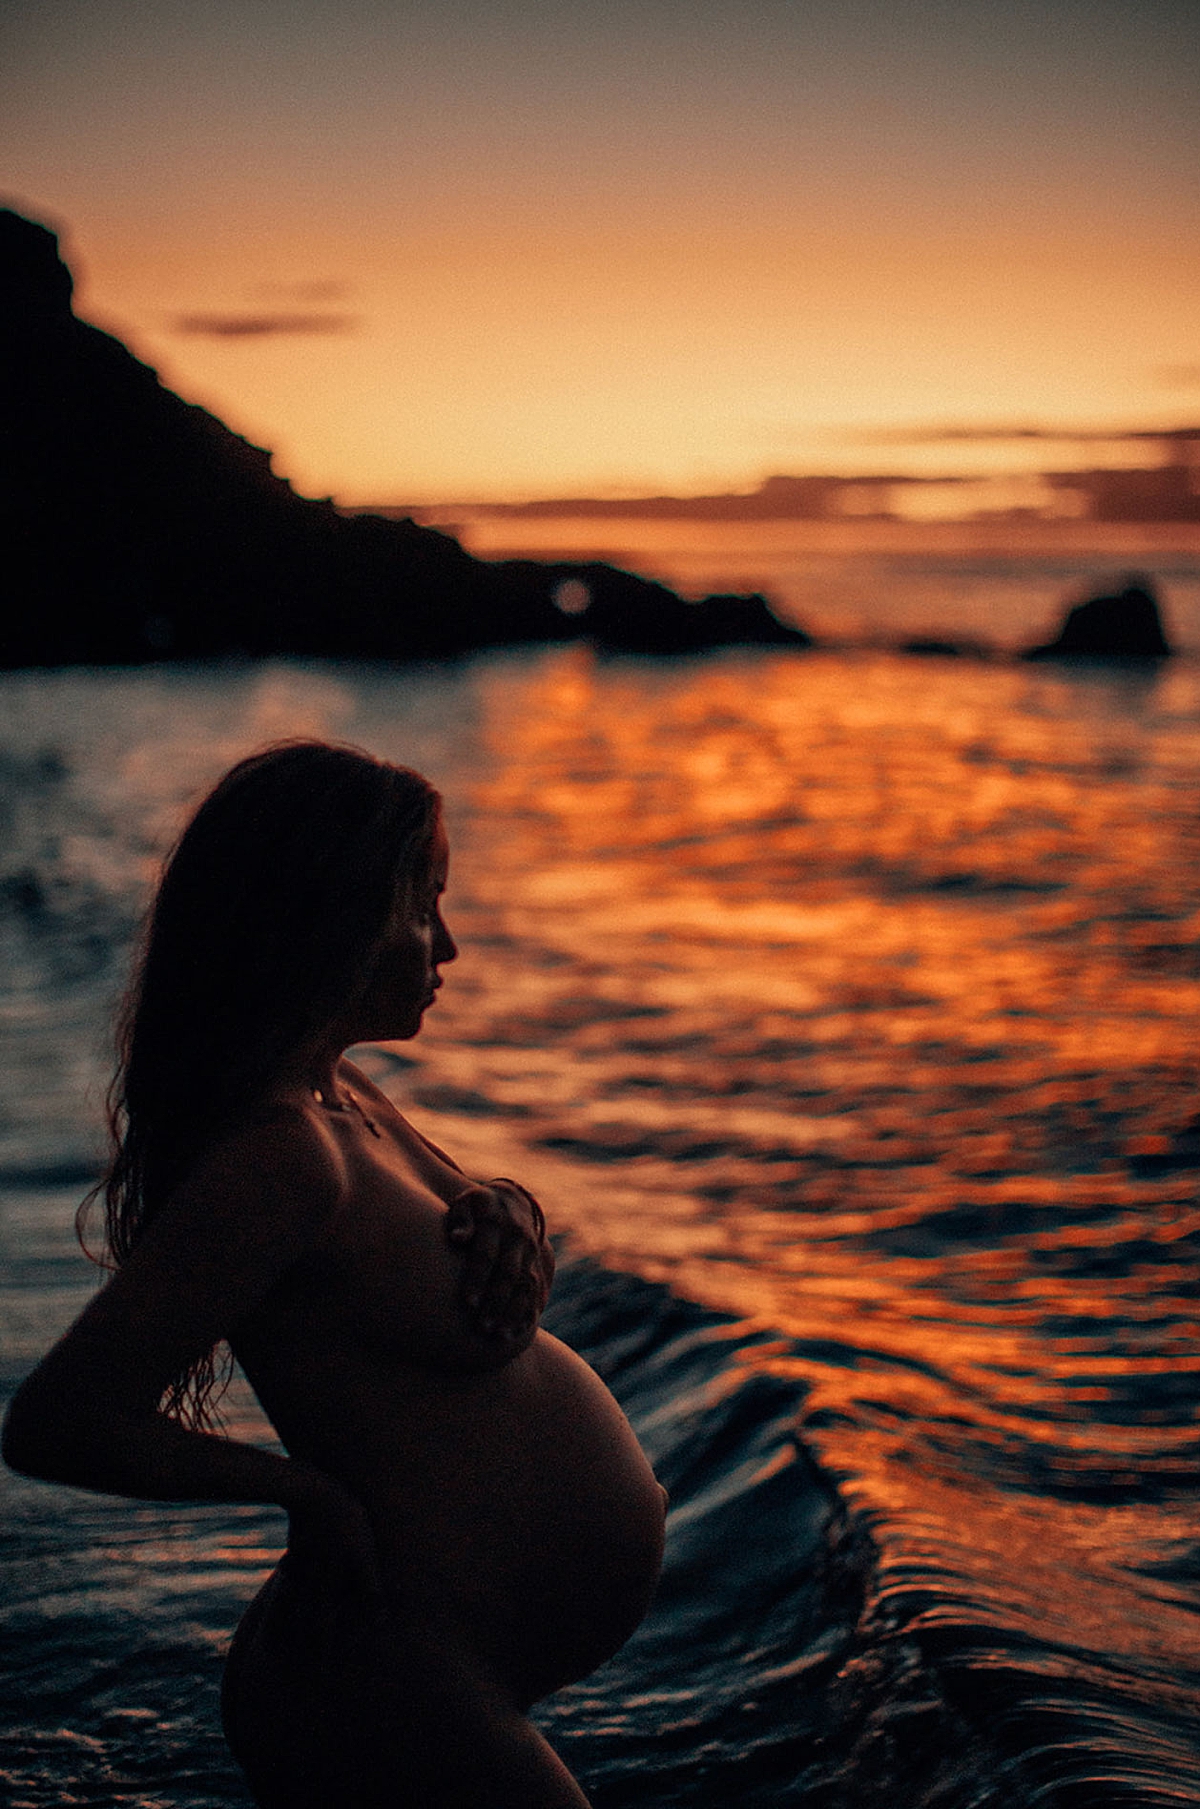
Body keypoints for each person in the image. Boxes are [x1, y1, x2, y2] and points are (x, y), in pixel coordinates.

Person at [2, 740, 667, 1808]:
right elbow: (57, 1420)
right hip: (376, 1671)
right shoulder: (278, 1156)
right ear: (336, 914)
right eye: (426, 905)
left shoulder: (337, 1096)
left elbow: (427, 1240)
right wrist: (298, 1491)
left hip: (429, 1654)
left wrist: (510, 1211)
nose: (448, 945)